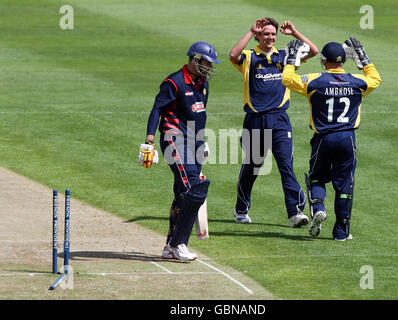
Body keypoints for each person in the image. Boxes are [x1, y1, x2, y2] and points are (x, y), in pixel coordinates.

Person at [281, 37, 381, 240]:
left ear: (324, 60)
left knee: (317, 177)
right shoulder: (357, 82)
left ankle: (318, 206)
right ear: (344, 60)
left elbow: (287, 79)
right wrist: (362, 56)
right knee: (345, 186)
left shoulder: (315, 80)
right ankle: (341, 232)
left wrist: (291, 58)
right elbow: (375, 79)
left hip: (323, 138)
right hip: (347, 138)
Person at [229, 18, 318, 227]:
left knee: (286, 166)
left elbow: (313, 51)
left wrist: (295, 33)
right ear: (259, 36)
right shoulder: (250, 57)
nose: (269, 38)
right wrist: (251, 30)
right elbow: (233, 55)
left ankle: (295, 213)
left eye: (272, 34)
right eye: (265, 34)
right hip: (254, 120)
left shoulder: (285, 55)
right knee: (252, 168)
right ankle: (241, 209)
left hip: (279, 120)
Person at [138, 41, 220, 260]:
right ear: (194, 59)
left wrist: (202, 141)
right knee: (193, 188)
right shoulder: (174, 82)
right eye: (206, 62)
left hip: (193, 141)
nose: (209, 67)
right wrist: (149, 141)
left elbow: (200, 115)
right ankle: (178, 244)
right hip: (174, 139)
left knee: (181, 195)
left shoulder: (203, 83)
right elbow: (157, 109)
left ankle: (169, 247)